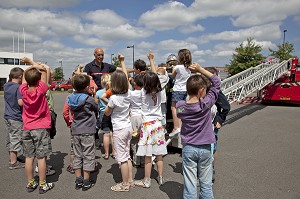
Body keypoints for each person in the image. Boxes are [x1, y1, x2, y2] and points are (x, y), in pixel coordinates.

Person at [176, 63, 221, 199]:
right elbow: (217, 82)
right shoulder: (206, 104)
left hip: (188, 147)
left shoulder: (180, 106)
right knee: (206, 184)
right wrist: (201, 70)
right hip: (206, 147)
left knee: (190, 184)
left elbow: (180, 113)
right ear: (202, 90)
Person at [19, 58, 54, 194]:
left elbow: (24, 79)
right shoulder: (41, 89)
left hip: (27, 127)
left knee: (29, 157)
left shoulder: (23, 91)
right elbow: (45, 71)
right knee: (41, 157)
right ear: (39, 80)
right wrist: (33, 63)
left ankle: (30, 182)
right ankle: (42, 184)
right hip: (40, 127)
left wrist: (28, 65)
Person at [134, 51, 168, 188]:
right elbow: (157, 77)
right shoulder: (160, 90)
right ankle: (160, 177)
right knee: (159, 153)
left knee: (148, 155)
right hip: (158, 124)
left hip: (147, 124)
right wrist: (152, 60)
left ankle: (146, 180)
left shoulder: (142, 92)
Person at [104, 53, 134, 192]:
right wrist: (122, 62)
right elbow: (127, 80)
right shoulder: (129, 93)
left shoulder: (114, 98)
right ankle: (131, 180)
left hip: (119, 129)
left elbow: (107, 113)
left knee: (121, 158)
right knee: (127, 155)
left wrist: (107, 108)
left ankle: (124, 184)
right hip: (128, 127)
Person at [67, 74, 98, 191]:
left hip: (75, 130)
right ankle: (86, 180)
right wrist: (93, 95)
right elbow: (96, 107)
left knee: (77, 155)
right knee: (88, 155)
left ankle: (78, 178)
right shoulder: (89, 99)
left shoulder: (70, 98)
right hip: (88, 130)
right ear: (86, 87)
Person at [205, 67, 231, 182]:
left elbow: (226, 107)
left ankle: (211, 169)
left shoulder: (216, 92)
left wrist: (219, 120)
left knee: (212, 148)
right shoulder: (199, 89)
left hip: (212, 125)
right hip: (201, 126)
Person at [4, 67, 25, 170]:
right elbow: (20, 102)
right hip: (16, 116)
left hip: (7, 115)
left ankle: (12, 157)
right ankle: (13, 162)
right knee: (16, 138)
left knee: (10, 137)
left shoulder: (6, 85)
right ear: (21, 76)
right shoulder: (18, 87)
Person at [169, 49, 192, 137]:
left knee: (174, 108)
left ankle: (176, 127)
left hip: (177, 89)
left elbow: (173, 75)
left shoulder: (177, 67)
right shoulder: (189, 67)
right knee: (181, 108)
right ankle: (181, 125)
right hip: (185, 90)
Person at [96, 74, 114, 160]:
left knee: (106, 133)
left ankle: (106, 153)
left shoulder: (99, 92)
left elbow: (96, 105)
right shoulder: (113, 91)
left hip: (103, 112)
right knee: (113, 133)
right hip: (113, 112)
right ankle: (114, 152)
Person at [129, 74, 144, 167]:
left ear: (134, 83)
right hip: (143, 116)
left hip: (134, 117)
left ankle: (136, 160)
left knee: (134, 139)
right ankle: (143, 161)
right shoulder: (145, 93)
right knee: (143, 139)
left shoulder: (131, 93)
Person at [62, 96, 75, 174]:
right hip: (87, 126)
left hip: (74, 125)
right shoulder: (88, 97)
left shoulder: (70, 97)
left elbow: (65, 111)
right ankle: (88, 167)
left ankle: (73, 166)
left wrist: (69, 122)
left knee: (74, 148)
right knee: (87, 148)